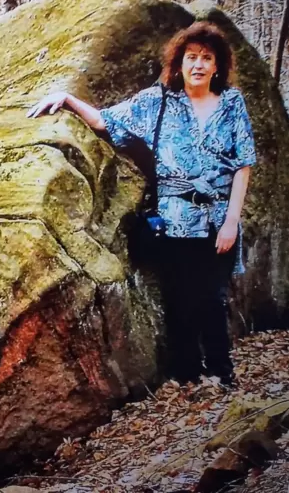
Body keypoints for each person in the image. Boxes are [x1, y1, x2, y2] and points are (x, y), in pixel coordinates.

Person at [26, 22, 256, 387]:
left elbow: (243, 164)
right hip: (175, 218)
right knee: (180, 300)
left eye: (206, 58)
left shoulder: (231, 103)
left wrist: (232, 221)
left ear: (218, 66)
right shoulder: (157, 102)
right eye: (191, 57)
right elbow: (106, 121)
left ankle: (221, 374)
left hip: (217, 218)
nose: (198, 65)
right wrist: (67, 99)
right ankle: (187, 377)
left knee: (212, 297)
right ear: (179, 63)